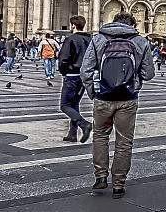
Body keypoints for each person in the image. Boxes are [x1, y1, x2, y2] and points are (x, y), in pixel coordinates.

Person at [80, 12, 155, 198]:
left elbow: (85, 70)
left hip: (103, 97)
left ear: (113, 22)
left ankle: (100, 177)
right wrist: (134, 76)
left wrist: (93, 92)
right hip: (128, 98)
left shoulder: (99, 39)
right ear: (132, 24)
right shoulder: (141, 42)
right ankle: (119, 184)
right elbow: (148, 74)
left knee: (100, 137)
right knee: (124, 142)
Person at [58, 16, 93, 143]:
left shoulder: (70, 39)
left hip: (72, 76)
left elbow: (63, 59)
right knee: (74, 104)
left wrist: (64, 71)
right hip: (84, 77)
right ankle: (72, 134)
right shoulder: (90, 39)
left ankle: (84, 124)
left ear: (73, 25)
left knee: (65, 105)